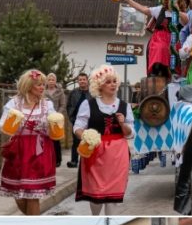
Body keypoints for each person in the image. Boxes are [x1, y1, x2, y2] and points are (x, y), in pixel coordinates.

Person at [73, 65, 134, 215]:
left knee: (113, 197)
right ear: (99, 85)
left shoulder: (124, 106)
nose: (113, 84)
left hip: (118, 155)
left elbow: (130, 134)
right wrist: (86, 136)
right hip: (95, 154)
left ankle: (109, 221)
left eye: (114, 81)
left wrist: (122, 124)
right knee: (96, 196)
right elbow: (77, 127)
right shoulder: (89, 104)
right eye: (108, 82)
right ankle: (96, 218)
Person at [0, 69, 59, 215]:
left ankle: (33, 223)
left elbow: (54, 129)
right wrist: (12, 124)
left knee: (33, 195)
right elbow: (0, 126)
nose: (42, 87)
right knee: (19, 196)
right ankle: (32, 220)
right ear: (29, 85)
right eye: (39, 84)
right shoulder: (14, 103)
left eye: (43, 84)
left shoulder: (47, 105)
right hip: (19, 152)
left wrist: (54, 125)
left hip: (40, 152)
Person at [120, 0, 189, 75]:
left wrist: (175, 10)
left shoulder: (181, 14)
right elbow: (144, 9)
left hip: (173, 39)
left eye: (174, 0)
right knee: (160, 47)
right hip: (159, 38)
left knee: (174, 52)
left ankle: (172, 72)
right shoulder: (159, 10)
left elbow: (186, 21)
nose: (171, 1)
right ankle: (156, 69)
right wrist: (128, 0)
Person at [65, 73, 90, 168]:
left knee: (88, 141)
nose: (82, 81)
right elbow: (69, 106)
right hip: (76, 121)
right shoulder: (73, 93)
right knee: (76, 142)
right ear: (78, 81)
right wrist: (71, 118)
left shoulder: (92, 93)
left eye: (84, 79)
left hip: (89, 121)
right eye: (80, 80)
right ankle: (74, 161)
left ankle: (87, 160)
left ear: (87, 80)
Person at [45, 73, 67, 168]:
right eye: (49, 80)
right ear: (47, 81)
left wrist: (57, 115)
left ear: (55, 81)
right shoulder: (43, 91)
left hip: (56, 118)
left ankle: (58, 159)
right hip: (45, 118)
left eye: (53, 80)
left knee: (56, 140)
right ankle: (47, 158)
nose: (51, 81)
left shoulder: (60, 92)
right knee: (46, 139)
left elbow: (63, 105)